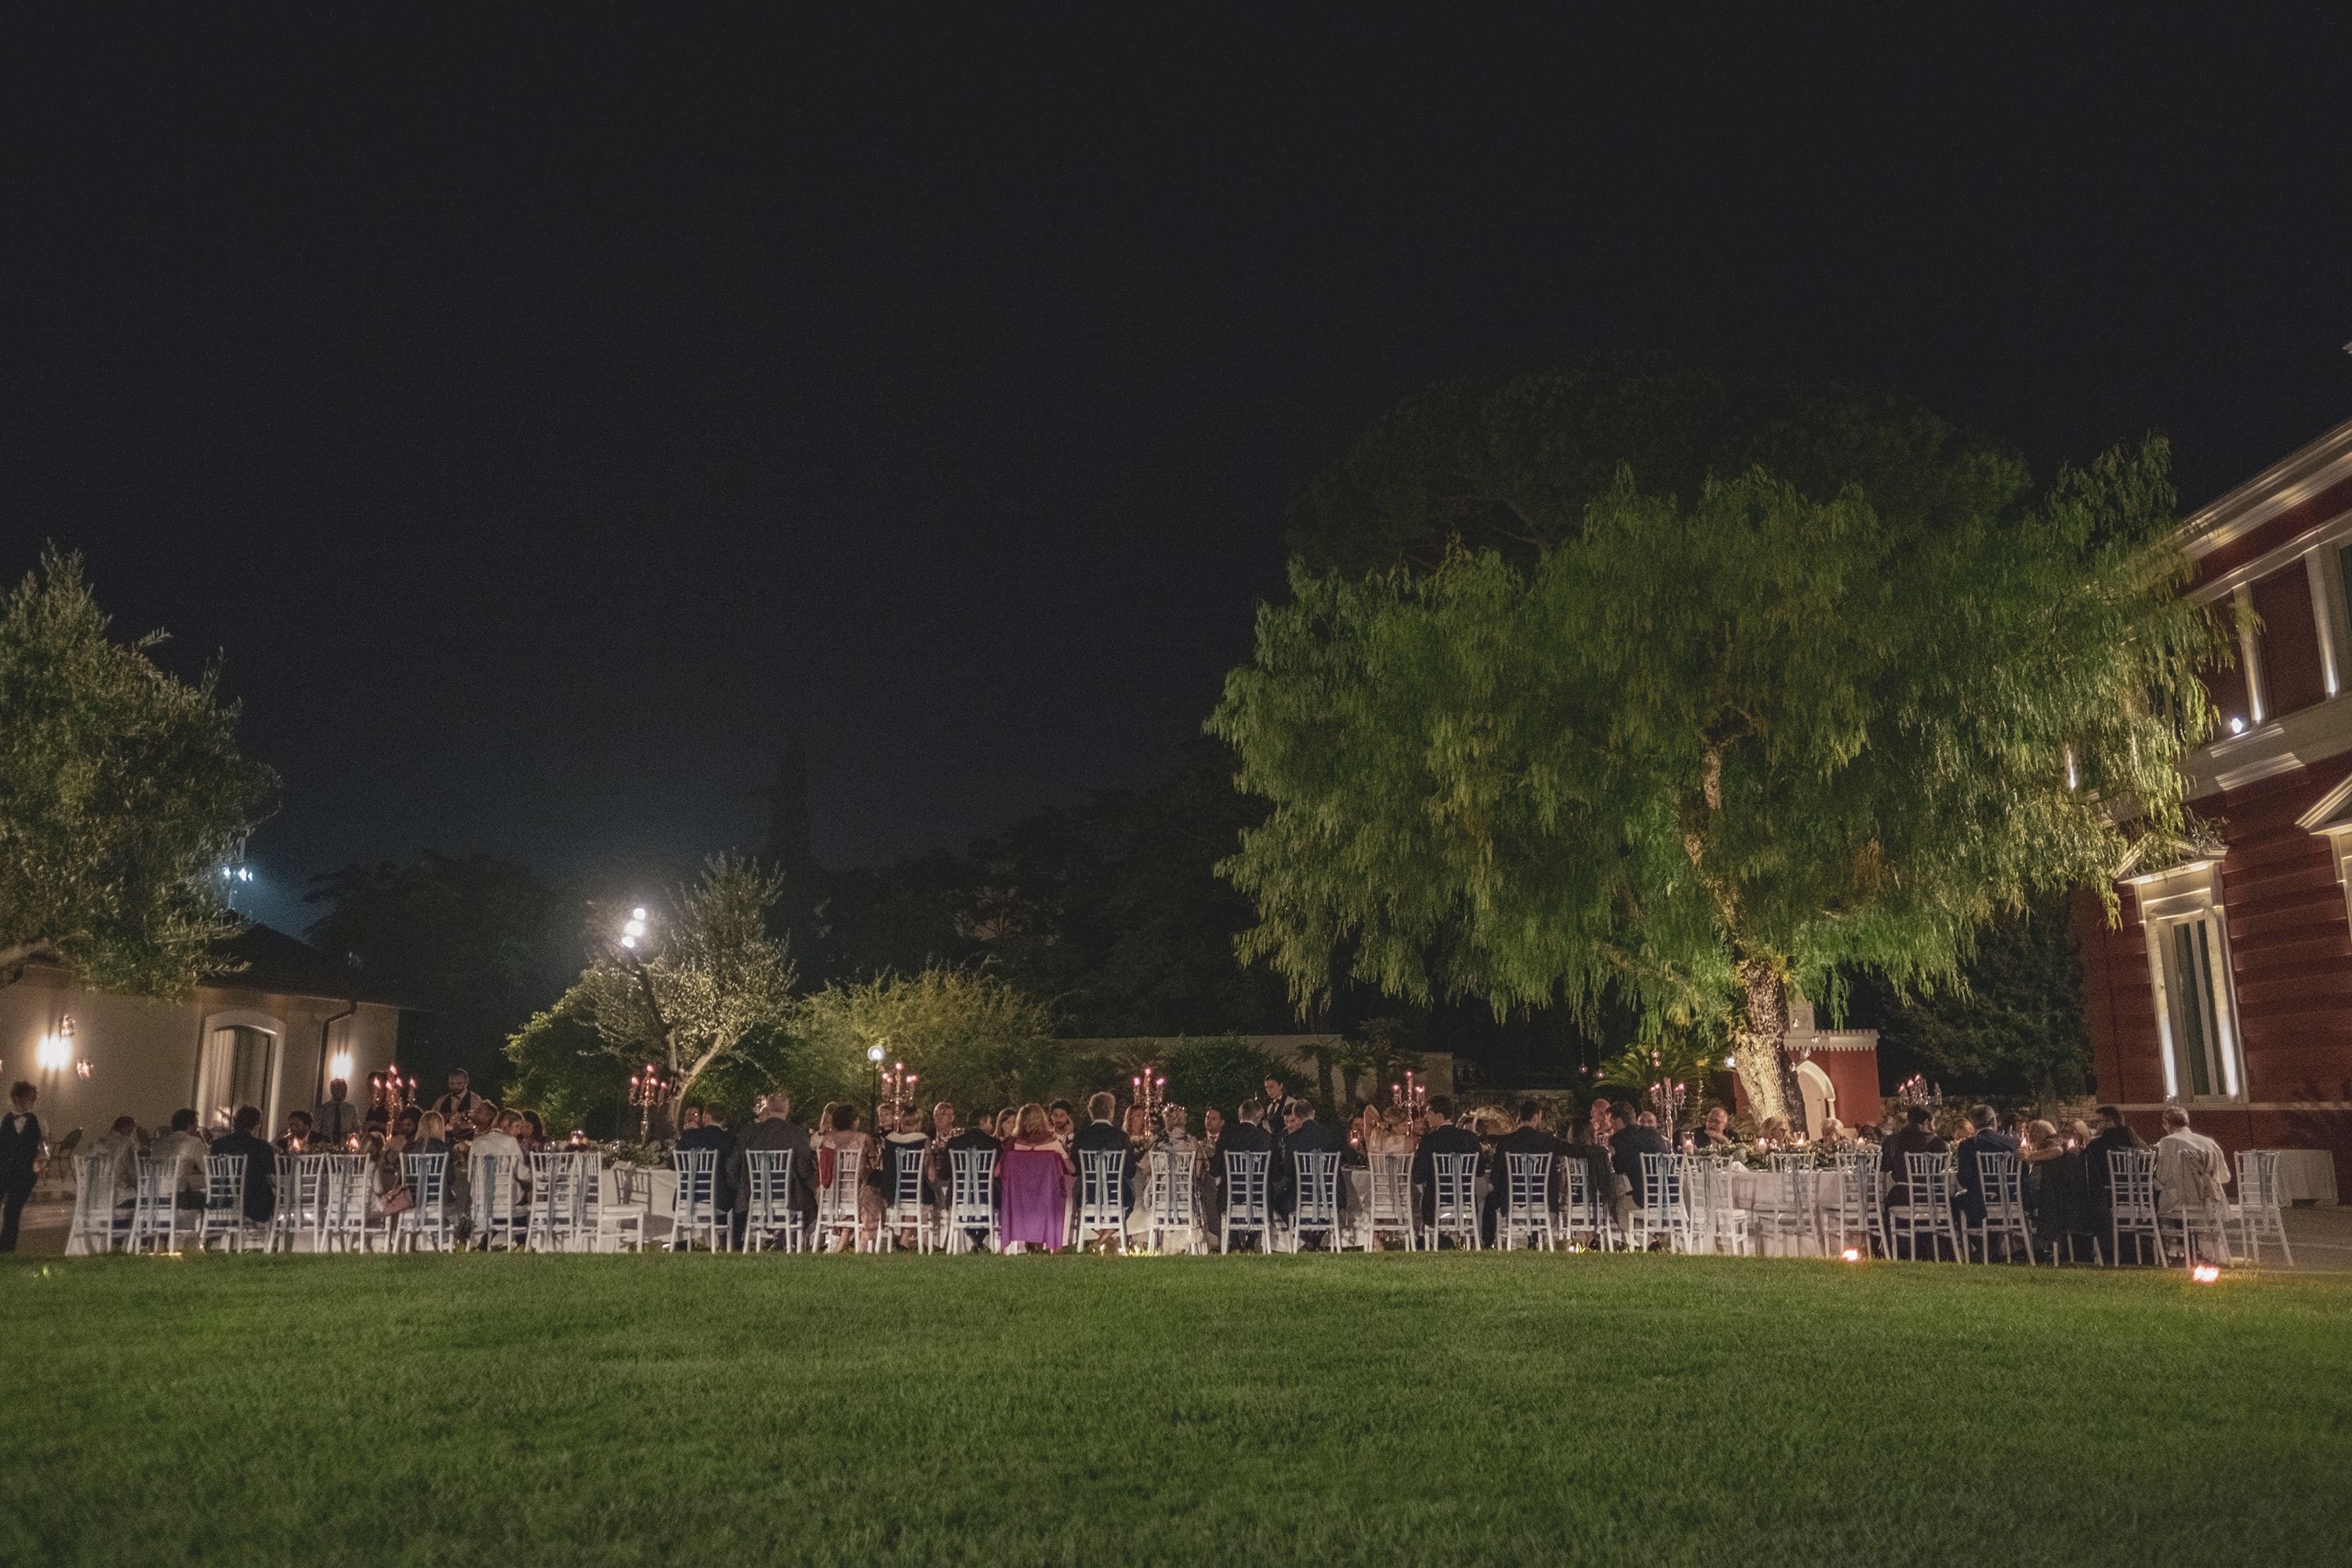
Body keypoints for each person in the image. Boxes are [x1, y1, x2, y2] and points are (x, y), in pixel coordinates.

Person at [735, 1091, 816, 1248]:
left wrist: (739, 1184)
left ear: (768, 1108)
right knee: (809, 1200)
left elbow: (735, 1162)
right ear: (787, 1110)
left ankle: (778, 1234)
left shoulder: (750, 1133)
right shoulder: (796, 1133)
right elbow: (805, 1169)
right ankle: (785, 1237)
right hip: (788, 1198)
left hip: (755, 1194)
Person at [2151, 1105, 2232, 1262]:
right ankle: (2205, 1251)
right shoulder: (2208, 1142)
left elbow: (2162, 1176)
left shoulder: (2168, 1141)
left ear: (2167, 1123)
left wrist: (2154, 1182)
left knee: (2158, 1197)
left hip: (2180, 1200)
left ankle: (2172, 1250)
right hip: (2210, 1201)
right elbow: (2225, 1177)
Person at [996, 1103, 1073, 1253]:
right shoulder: (1051, 1142)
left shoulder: (1013, 1143)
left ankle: (1027, 1242)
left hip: (1020, 1201)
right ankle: (1052, 1245)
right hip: (1047, 1201)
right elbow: (1072, 1168)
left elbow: (997, 1172)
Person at [1488, 1100, 1566, 1243]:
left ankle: (1493, 1241)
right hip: (1543, 1201)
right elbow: (1571, 1151)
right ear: (1536, 1118)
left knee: (1490, 1198)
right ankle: (1537, 1239)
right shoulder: (1546, 1141)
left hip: (1512, 1202)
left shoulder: (1506, 1142)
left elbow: (1495, 1177)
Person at [1879, 1105, 1951, 1258]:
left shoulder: (1893, 1140)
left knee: (1884, 1202)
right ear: (1926, 1121)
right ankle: (1941, 1248)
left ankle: (1893, 1249)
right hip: (1931, 1197)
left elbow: (1884, 1167)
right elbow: (1941, 1172)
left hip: (1903, 1196)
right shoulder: (1938, 1143)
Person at [1410, 1096, 1485, 1240]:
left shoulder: (1429, 1141)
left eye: (1429, 1114)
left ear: (1439, 1116)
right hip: (1466, 1202)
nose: (1426, 1117)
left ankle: (1436, 1240)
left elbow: (1417, 1176)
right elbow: (1480, 1171)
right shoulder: (1470, 1138)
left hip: (1436, 1203)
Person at [1952, 1102, 2019, 1250]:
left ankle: (1983, 1246)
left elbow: (1964, 1178)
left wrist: (1977, 1187)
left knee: (1955, 1202)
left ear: (1973, 1123)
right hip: (2010, 1198)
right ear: (1994, 1120)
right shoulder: (2011, 1143)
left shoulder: (1968, 1145)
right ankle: (1991, 1247)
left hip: (1979, 1200)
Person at [1278, 1097, 1346, 1240]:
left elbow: (1289, 1173)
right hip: (1332, 1195)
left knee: (1279, 1199)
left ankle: (1305, 1236)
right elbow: (1343, 1159)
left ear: (1296, 1117)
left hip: (1303, 1196)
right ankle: (1317, 1235)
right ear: (1313, 1113)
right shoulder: (1333, 1134)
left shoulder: (1293, 1139)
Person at [1070, 1091, 1132, 1247]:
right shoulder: (1121, 1137)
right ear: (1111, 1111)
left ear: (1091, 1111)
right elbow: (1130, 1171)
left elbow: (1076, 1170)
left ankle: (1102, 1239)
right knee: (1132, 1195)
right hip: (1117, 1195)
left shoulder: (1081, 1136)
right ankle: (1107, 1235)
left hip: (1087, 1195)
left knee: (1077, 1196)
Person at [818, 1104, 880, 1249]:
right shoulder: (863, 1138)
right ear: (855, 1121)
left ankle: (843, 1239)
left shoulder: (827, 1139)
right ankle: (863, 1244)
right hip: (856, 1193)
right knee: (876, 1197)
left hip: (830, 1193)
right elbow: (874, 1163)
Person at [1606, 1100, 1670, 1236]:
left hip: (1646, 1197)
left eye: (1610, 1121)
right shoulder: (1653, 1132)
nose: (1610, 1125)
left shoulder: (1618, 1139)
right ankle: (1653, 1238)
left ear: (1618, 1121)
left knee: (1618, 1206)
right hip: (1670, 1194)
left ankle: (1648, 1242)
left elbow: (1618, 1169)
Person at [675, 1103, 739, 1235]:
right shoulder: (730, 1140)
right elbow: (734, 1168)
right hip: (717, 1199)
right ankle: (728, 1237)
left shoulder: (690, 1136)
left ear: (706, 1117)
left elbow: (672, 1164)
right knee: (737, 1191)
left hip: (685, 1197)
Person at [211, 1105, 278, 1225]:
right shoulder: (261, 1146)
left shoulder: (217, 1144)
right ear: (256, 1125)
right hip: (252, 1201)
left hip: (222, 1198)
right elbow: (272, 1173)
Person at [0, 1082, 43, 1252]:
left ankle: (6, 1249)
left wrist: (39, 1164)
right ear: (18, 1098)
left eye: (34, 1098)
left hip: (23, 1173)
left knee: (13, 1212)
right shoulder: (5, 1120)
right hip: (4, 1171)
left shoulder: (35, 1121)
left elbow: (41, 1147)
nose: (32, 1101)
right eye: (29, 1098)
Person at [151, 1108, 210, 1209]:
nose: (198, 1126)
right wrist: (203, 1141)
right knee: (207, 1196)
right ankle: (202, 1224)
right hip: (174, 1196)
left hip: (151, 1194)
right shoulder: (194, 1142)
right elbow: (207, 1168)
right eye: (196, 1123)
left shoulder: (157, 1143)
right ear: (189, 1125)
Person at [313, 1078, 365, 1143]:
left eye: (345, 1090)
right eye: (339, 1089)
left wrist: (350, 1134)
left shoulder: (351, 1109)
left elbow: (358, 1128)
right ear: (332, 1090)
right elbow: (315, 1130)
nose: (343, 1092)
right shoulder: (322, 1110)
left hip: (345, 1145)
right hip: (326, 1145)